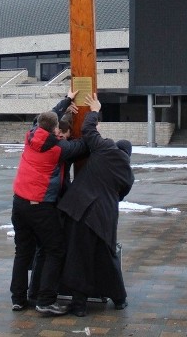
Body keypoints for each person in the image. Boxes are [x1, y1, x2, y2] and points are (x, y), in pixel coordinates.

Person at [10, 90, 87, 315]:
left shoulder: (30, 135)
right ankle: (45, 300)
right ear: (55, 130)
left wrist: (65, 101)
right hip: (40, 206)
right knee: (55, 249)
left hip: (19, 203)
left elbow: (44, 117)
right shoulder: (57, 150)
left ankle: (18, 298)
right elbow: (82, 147)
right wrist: (91, 119)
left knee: (22, 252)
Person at [58, 93, 134, 317]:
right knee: (106, 259)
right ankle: (119, 299)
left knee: (78, 257)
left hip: (78, 209)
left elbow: (89, 131)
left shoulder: (105, 150)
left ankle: (79, 304)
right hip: (102, 217)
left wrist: (94, 110)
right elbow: (120, 196)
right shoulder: (127, 174)